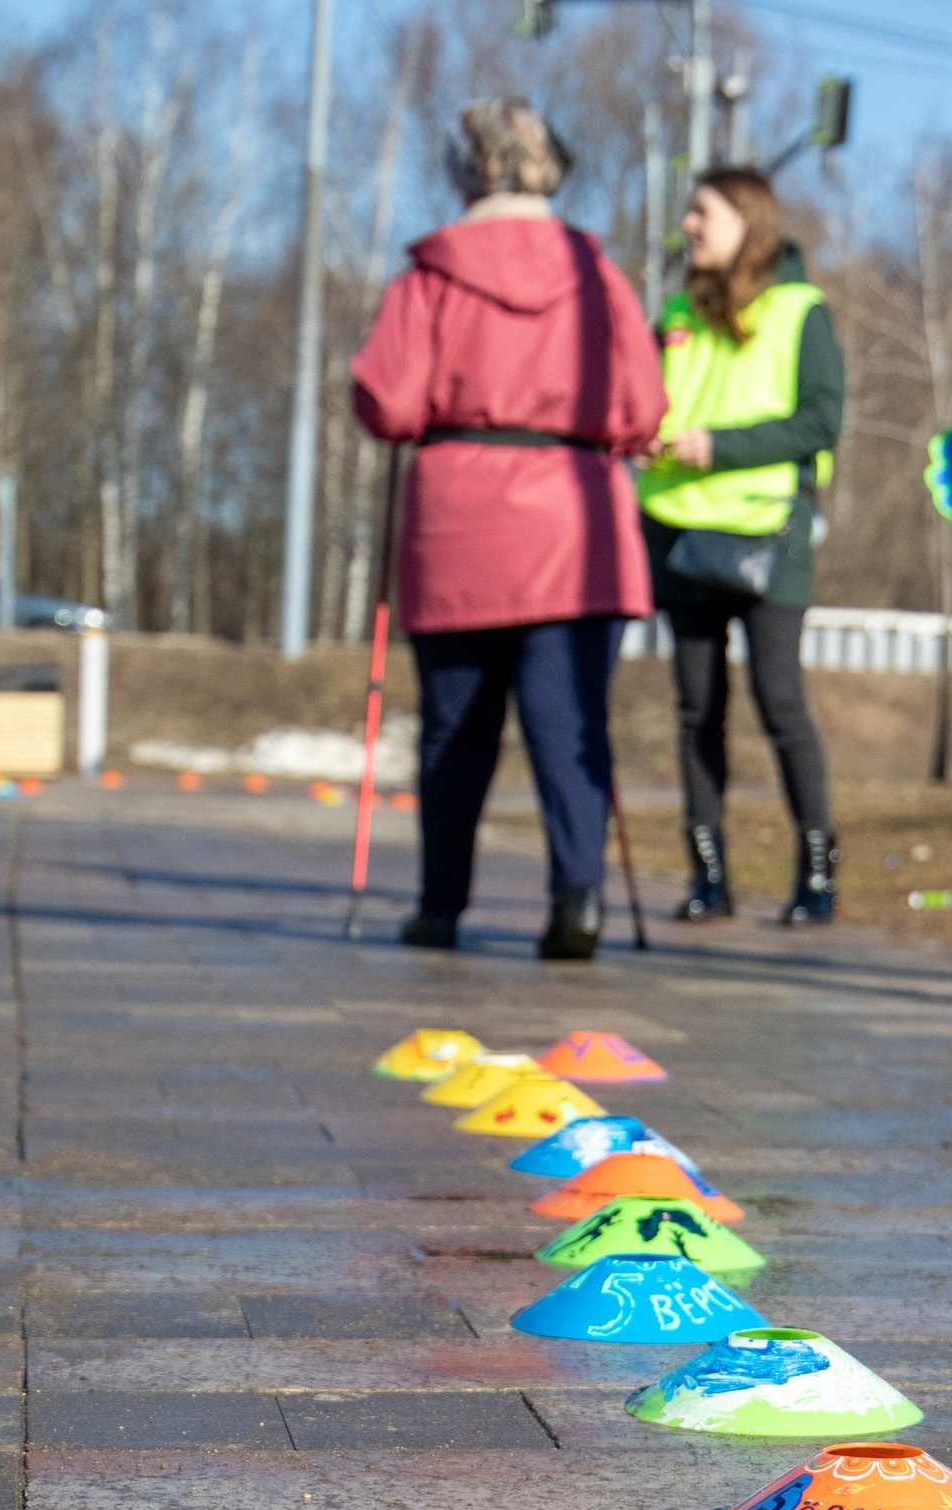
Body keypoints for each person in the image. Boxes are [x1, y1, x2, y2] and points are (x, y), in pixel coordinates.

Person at [351, 99, 666, 961]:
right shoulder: (600, 277)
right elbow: (643, 410)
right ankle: (578, 901)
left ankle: (441, 905)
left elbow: (389, 401)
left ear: (465, 172)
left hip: (462, 522)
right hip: (577, 517)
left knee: (457, 728)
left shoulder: (430, 275)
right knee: (571, 725)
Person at [639, 166, 846, 926]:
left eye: (704, 212)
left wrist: (718, 446)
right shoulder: (674, 313)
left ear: (748, 222)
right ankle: (708, 878)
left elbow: (821, 422)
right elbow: (647, 397)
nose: (689, 225)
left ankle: (818, 873)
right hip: (682, 534)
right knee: (696, 712)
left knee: (780, 703)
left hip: (769, 538)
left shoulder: (800, 312)